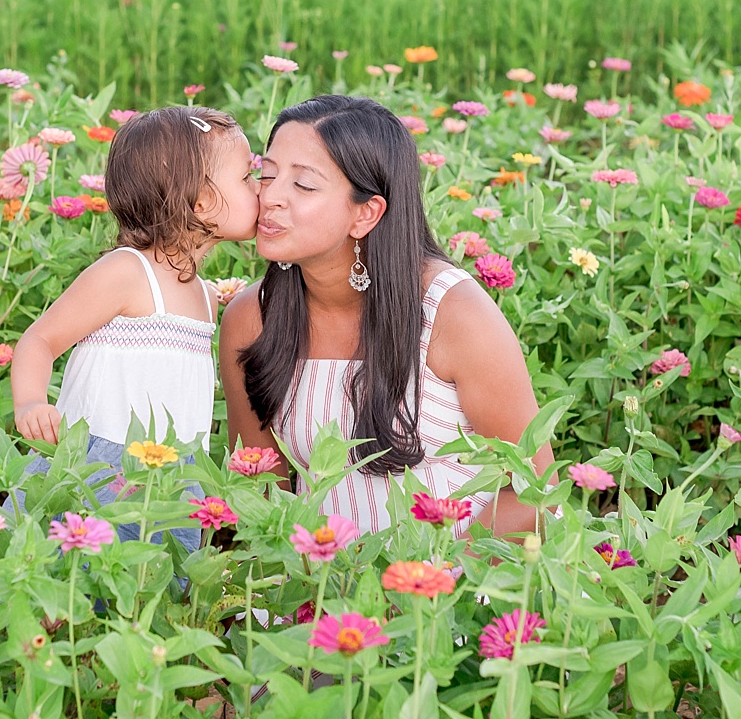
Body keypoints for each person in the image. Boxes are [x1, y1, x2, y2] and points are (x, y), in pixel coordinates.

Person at [218, 94, 546, 534]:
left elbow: (533, 493)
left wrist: (420, 584)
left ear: (366, 213)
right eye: (267, 174)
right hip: (312, 583)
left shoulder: (454, 314)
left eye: (304, 185)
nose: (270, 197)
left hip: (455, 583)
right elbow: (258, 489)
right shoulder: (251, 317)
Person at [8, 105, 259, 545]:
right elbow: (40, 340)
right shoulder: (126, 272)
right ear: (201, 201)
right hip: (98, 475)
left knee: (144, 595)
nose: (260, 189)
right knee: (74, 584)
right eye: (246, 177)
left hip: (169, 483)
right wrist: (30, 404)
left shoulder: (204, 295)